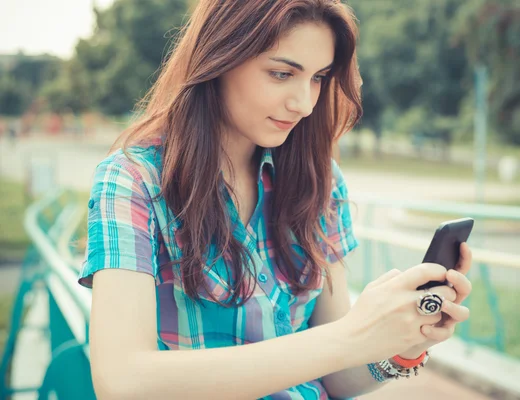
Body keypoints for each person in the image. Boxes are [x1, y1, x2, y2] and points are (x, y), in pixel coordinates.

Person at [78, 1, 473, 399]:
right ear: (219, 58)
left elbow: (337, 378)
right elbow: (123, 381)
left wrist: (405, 344)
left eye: (318, 78)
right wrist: (351, 335)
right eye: (282, 73)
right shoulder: (133, 181)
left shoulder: (320, 182)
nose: (303, 103)